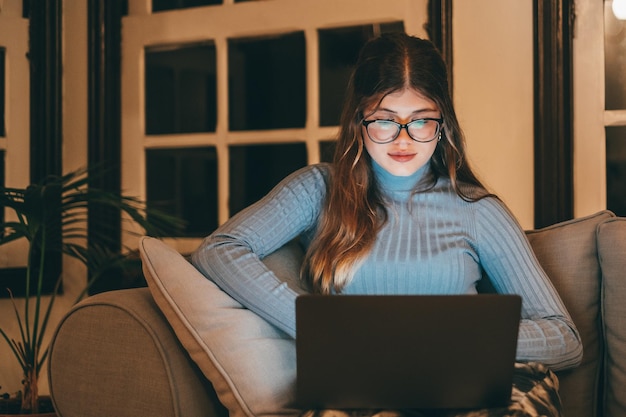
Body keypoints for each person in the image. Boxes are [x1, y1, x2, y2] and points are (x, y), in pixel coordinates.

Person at [192, 32, 582, 416]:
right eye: (384, 120)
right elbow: (219, 249)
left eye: (421, 121)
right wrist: (318, 329)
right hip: (358, 391)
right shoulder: (318, 189)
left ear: (443, 123)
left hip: (465, 388)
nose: (403, 139)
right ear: (358, 121)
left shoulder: (477, 210)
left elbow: (564, 339)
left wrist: (445, 339)